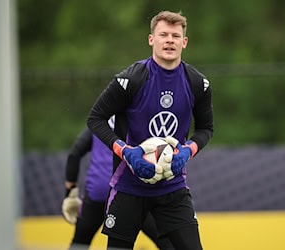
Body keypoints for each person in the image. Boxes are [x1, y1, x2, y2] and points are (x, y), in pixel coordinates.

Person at [87, 10, 213, 250]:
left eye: (176, 36)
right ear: (151, 39)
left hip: (172, 188)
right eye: (163, 34)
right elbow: (96, 119)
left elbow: (206, 129)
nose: (169, 40)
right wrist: (126, 152)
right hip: (128, 187)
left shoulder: (198, 84)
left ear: (184, 42)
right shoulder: (130, 80)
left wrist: (187, 151)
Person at [62, 121, 174, 249]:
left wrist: (70, 193)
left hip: (98, 192)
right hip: (130, 194)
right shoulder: (139, 120)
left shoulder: (99, 123)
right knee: (166, 243)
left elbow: (74, 154)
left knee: (80, 243)